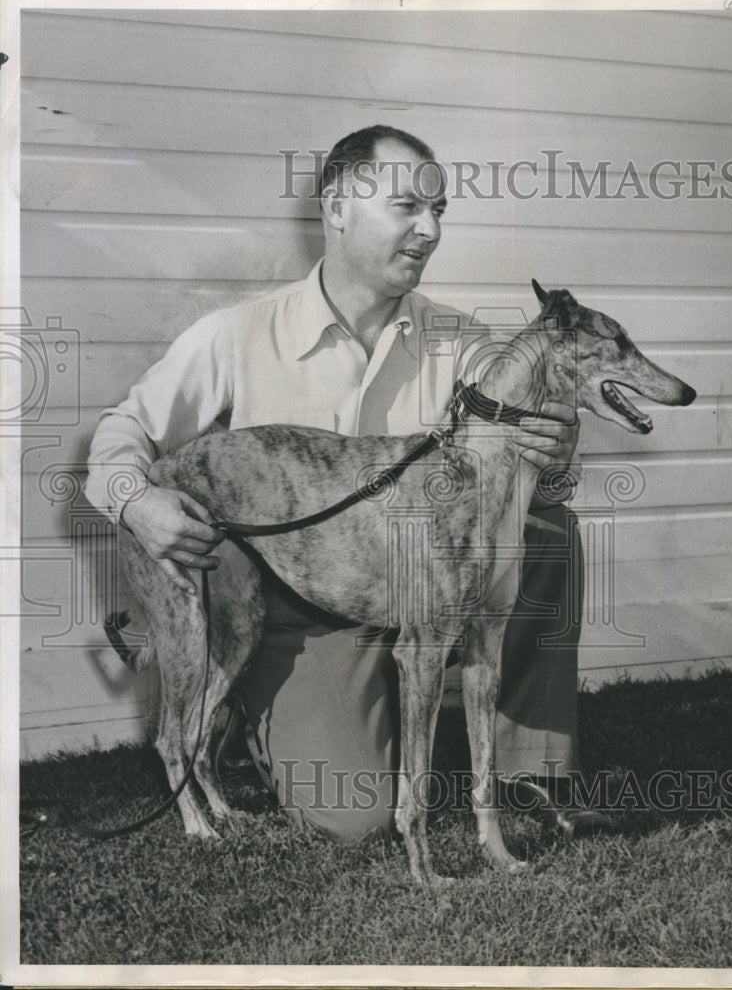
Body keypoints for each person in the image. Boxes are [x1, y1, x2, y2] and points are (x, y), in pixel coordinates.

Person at [85, 125, 606, 842]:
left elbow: (529, 496)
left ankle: (529, 775)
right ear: (336, 208)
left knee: (548, 534)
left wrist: (555, 454)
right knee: (353, 815)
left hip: (416, 585)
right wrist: (135, 502)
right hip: (300, 608)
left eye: (440, 212)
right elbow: (122, 432)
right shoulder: (235, 336)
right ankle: (236, 697)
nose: (428, 230)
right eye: (406, 208)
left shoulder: (465, 344)